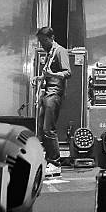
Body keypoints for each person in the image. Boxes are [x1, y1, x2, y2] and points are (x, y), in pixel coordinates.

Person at [33, 27, 71, 177]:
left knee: (49, 129)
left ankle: (55, 163)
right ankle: (49, 161)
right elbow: (48, 74)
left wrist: (53, 74)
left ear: (51, 38)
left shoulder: (60, 51)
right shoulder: (50, 53)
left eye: (44, 41)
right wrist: (39, 79)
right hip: (47, 92)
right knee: (43, 129)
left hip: (54, 93)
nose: (42, 44)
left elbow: (68, 72)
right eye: (40, 41)